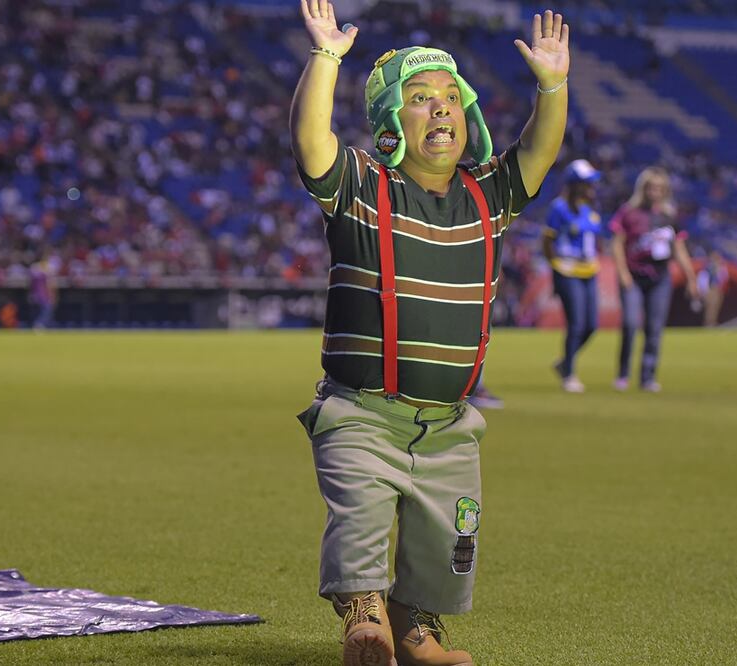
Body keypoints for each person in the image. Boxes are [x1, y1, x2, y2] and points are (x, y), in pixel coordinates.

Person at [289, 3, 569, 665]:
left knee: (450, 541)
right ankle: (364, 610)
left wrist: (552, 87)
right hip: (361, 412)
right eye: (420, 100)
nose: (440, 109)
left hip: (449, 426)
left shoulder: (487, 195)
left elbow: (539, 148)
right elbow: (310, 142)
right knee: (358, 518)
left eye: (450, 97)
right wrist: (325, 56)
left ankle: (416, 626)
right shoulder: (362, 186)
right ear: (390, 121)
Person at [609, 167, 698, 392]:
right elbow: (617, 244)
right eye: (651, 187)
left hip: (660, 278)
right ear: (643, 189)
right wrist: (622, 274)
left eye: (659, 188)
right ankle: (623, 373)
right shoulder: (629, 212)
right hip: (634, 275)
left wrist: (691, 277)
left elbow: (679, 249)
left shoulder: (669, 216)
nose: (654, 192)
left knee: (654, 328)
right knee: (630, 324)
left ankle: (647, 377)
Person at [542, 159, 603, 393]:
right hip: (567, 271)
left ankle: (565, 361)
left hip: (589, 271)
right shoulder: (559, 209)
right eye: (587, 183)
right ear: (574, 184)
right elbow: (548, 240)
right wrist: (555, 265)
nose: (591, 188)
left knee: (591, 326)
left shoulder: (591, 211)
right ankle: (569, 373)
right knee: (576, 323)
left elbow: (595, 240)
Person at [697, 250, 729, 327]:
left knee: (716, 307)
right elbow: (702, 279)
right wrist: (704, 291)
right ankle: (708, 323)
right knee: (710, 307)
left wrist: (720, 268)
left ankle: (713, 322)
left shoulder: (721, 268)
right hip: (710, 289)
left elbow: (725, 277)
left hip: (717, 289)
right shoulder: (707, 268)